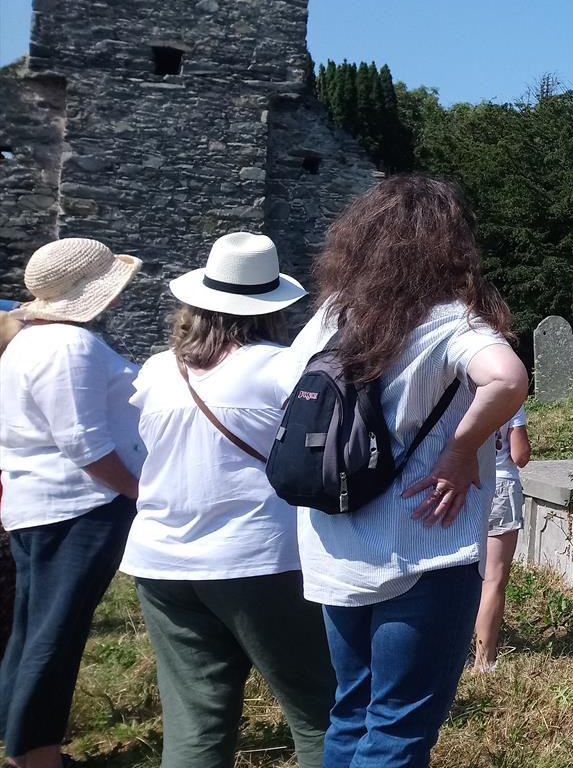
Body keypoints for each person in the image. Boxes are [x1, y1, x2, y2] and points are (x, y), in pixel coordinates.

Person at [274, 176, 530, 768]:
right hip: (426, 546)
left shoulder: (332, 318)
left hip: (334, 544)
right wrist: (459, 452)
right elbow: (508, 378)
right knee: (398, 730)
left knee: (351, 713)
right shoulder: (449, 322)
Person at [122, 232, 336, 768]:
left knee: (196, 719)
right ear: (272, 307)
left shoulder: (155, 371)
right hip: (259, 556)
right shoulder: (281, 369)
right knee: (317, 712)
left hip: (162, 559)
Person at [0, 237, 145, 768]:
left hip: (42, 500)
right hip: (80, 504)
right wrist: (136, 492)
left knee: (35, 626)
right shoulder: (68, 346)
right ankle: (36, 757)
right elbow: (83, 442)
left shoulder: (29, 342)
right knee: (56, 632)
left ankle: (24, 743)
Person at [471, 404, 528, 672]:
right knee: (493, 579)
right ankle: (484, 661)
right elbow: (520, 455)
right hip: (502, 485)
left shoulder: (456, 390)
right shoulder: (510, 398)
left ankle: (454, 650)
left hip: (465, 484)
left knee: (461, 575)